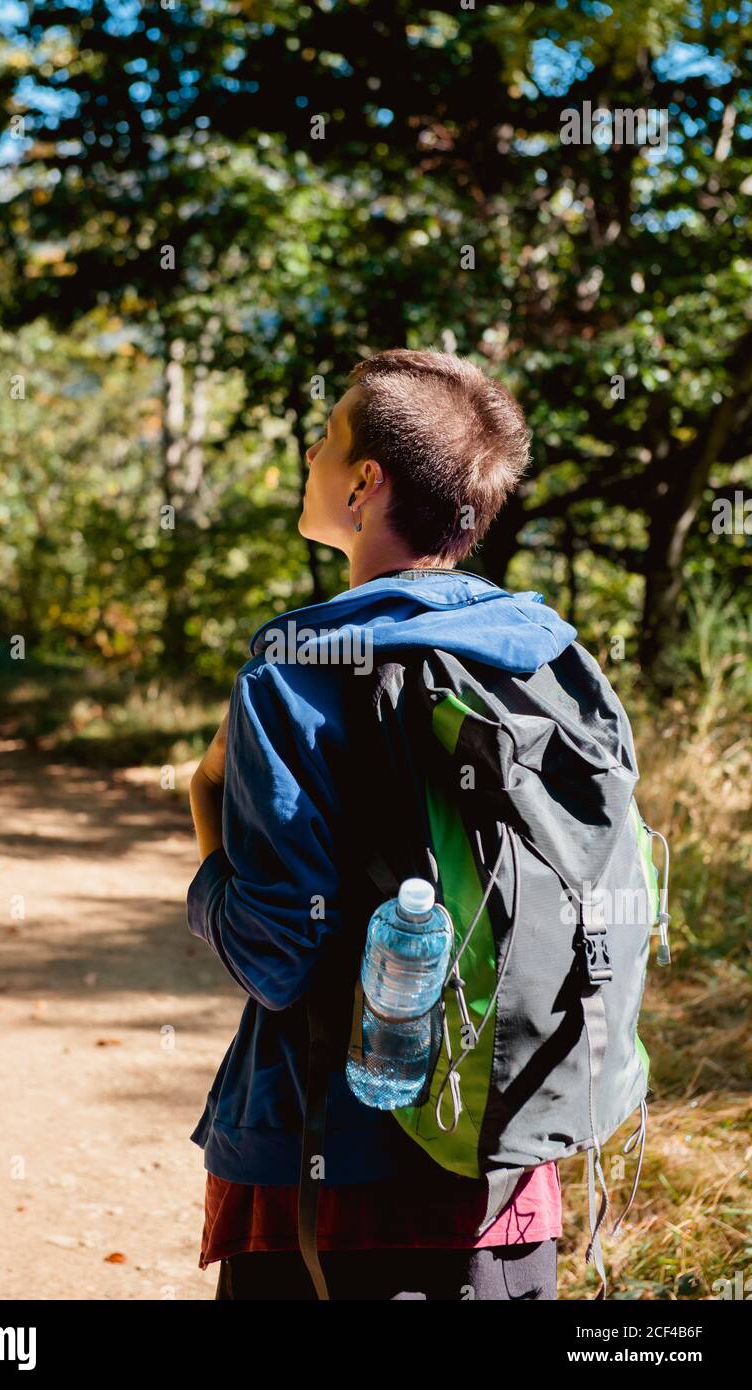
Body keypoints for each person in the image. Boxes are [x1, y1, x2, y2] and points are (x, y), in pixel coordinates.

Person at [187, 349, 568, 1301]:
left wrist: (205, 824)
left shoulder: (293, 671)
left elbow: (275, 953)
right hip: (513, 1171)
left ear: (364, 483)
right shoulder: (546, 660)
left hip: (333, 1186)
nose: (309, 453)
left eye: (325, 438)